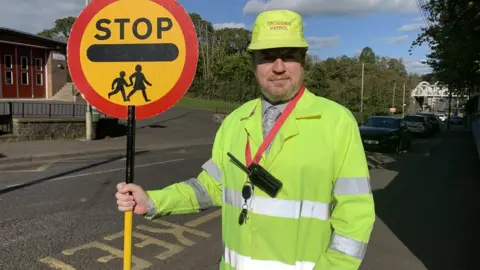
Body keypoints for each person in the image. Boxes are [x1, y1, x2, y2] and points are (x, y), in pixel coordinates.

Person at [116, 9, 375, 270]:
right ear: (253, 64)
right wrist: (152, 201)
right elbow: (210, 187)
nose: (278, 67)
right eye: (267, 57)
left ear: (303, 61)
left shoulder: (337, 122)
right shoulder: (234, 122)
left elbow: (355, 217)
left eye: (288, 56)